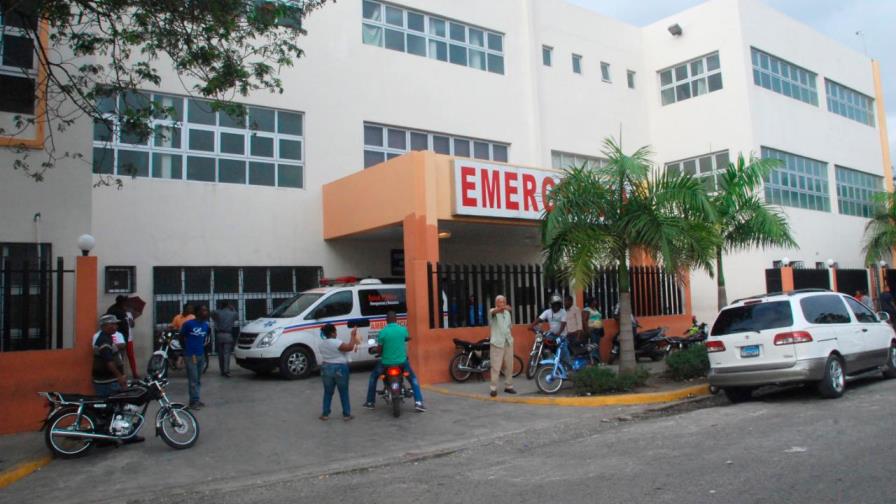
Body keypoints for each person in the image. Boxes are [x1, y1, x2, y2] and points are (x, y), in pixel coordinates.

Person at [363, 311, 426, 412]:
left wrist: (377, 351)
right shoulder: (402, 330)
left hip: (386, 363)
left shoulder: (383, 332)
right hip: (402, 362)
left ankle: (370, 402)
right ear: (396, 319)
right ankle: (419, 403)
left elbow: (379, 350)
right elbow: (405, 338)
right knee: (413, 379)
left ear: (386, 320)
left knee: (373, 377)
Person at [319, 323, 362, 421]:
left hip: (326, 367)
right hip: (340, 368)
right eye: (335, 331)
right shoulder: (336, 342)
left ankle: (325, 414)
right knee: (343, 392)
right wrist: (352, 335)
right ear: (333, 333)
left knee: (328, 392)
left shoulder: (321, 344)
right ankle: (346, 414)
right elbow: (350, 347)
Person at [180, 305, 210, 410]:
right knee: (193, 379)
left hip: (200, 354)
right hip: (190, 355)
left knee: (198, 379)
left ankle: (196, 398)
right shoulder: (188, 324)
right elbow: (181, 337)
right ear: (197, 313)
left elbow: (205, 339)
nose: (205, 312)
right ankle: (193, 402)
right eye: (203, 311)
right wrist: (186, 349)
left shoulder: (206, 325)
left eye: (206, 310)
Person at [92, 314, 128, 397]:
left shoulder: (107, 338)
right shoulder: (104, 341)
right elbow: (109, 362)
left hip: (109, 380)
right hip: (107, 382)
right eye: (113, 324)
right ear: (106, 326)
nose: (116, 326)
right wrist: (119, 377)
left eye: (115, 324)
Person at [488, 295, 516, 397]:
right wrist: (503, 308)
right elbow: (494, 312)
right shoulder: (492, 311)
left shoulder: (507, 313)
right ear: (496, 303)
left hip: (508, 342)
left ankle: (509, 386)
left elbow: (509, 327)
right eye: (500, 302)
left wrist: (510, 338)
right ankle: (493, 388)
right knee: (496, 366)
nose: (502, 304)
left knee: (509, 365)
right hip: (497, 343)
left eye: (504, 302)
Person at [106, 295, 139, 379]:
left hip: (129, 338)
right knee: (120, 356)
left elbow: (132, 325)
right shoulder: (115, 311)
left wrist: (131, 322)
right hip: (120, 338)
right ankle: (121, 374)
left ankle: (134, 373)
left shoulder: (128, 313)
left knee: (131, 356)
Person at [211, 301, 238, 377]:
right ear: (228, 305)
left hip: (219, 335)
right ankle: (226, 370)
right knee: (226, 354)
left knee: (220, 354)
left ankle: (222, 370)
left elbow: (212, 313)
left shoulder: (218, 313)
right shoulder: (232, 313)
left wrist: (219, 310)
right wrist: (233, 308)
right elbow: (237, 316)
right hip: (228, 334)